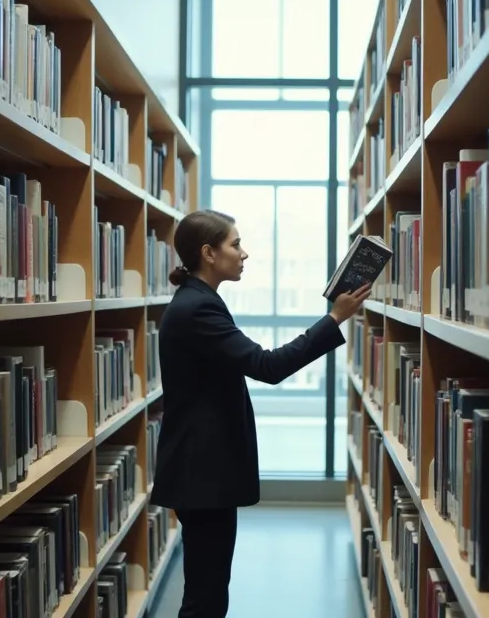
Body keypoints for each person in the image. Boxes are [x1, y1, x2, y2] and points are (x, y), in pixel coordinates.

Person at [149, 209, 371, 618]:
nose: (244, 253)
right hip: (202, 475)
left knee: (209, 589)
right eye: (235, 244)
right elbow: (268, 366)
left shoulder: (197, 302)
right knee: (205, 598)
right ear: (208, 253)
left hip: (201, 472)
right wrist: (335, 318)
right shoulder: (198, 309)